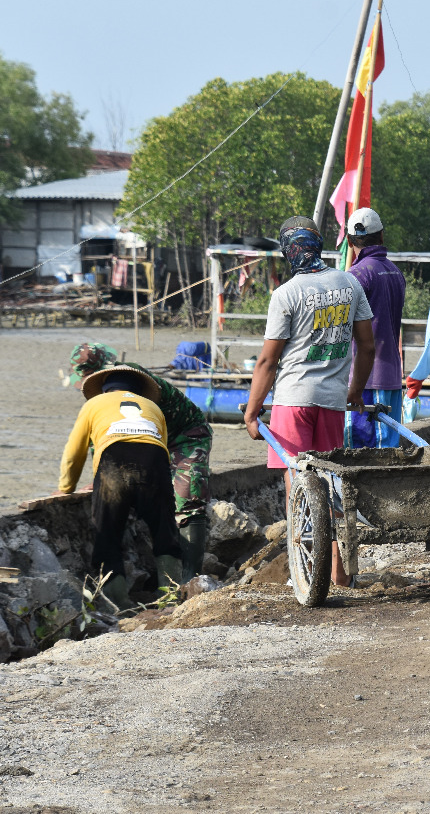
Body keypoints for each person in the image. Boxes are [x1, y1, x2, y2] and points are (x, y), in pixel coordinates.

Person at [244, 215, 375, 587]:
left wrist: (253, 412)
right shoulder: (349, 283)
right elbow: (367, 345)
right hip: (332, 403)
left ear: (289, 250)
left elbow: (269, 361)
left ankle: (304, 576)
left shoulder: (286, 294)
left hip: (292, 402)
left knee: (299, 489)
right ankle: (340, 576)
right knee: (332, 487)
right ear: (318, 244)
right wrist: (355, 390)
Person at [69, 342, 213, 581]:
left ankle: (191, 579)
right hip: (149, 440)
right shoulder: (102, 393)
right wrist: (100, 477)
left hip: (184, 434)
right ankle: (166, 579)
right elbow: (103, 439)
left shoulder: (131, 378)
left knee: (187, 495)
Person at [59, 365, 184, 611]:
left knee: (107, 532)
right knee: (164, 530)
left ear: (105, 390)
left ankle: (119, 603)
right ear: (138, 392)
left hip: (113, 462)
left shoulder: (94, 405)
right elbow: (163, 445)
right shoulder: (154, 408)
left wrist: (66, 487)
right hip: (154, 461)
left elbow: (74, 451)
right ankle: (170, 597)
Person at [344, 208, 406, 448]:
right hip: (391, 377)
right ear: (381, 236)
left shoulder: (356, 275)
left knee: (363, 454)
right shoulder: (395, 272)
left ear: (350, 242)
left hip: (366, 380)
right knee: (388, 451)